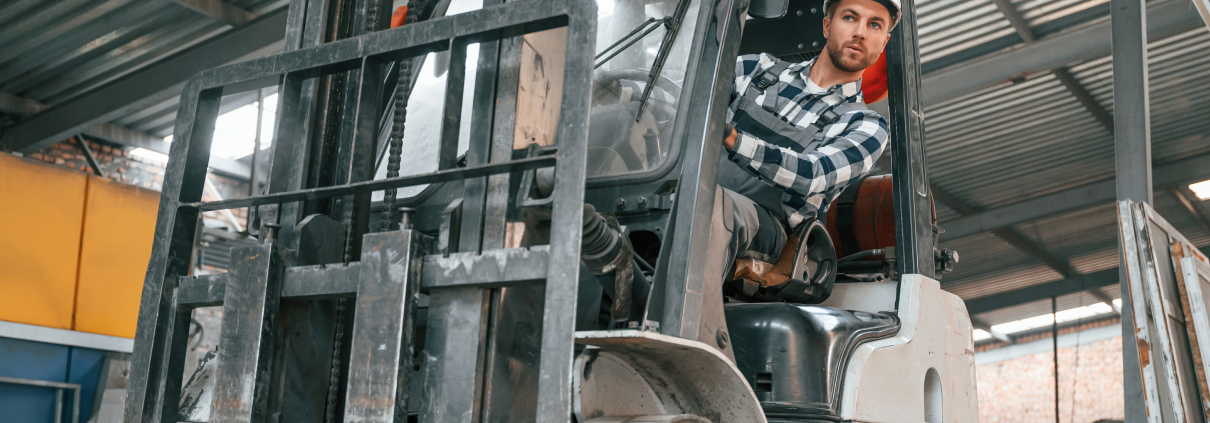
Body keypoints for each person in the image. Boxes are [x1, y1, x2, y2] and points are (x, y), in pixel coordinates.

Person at [709, 0, 898, 301]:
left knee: (708, 208)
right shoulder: (754, 69)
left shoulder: (865, 126)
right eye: (850, 17)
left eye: (874, 24)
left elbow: (812, 174)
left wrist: (732, 138)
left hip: (769, 233)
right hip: (701, 193)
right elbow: (687, 101)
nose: (860, 32)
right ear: (827, 25)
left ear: (883, 42)